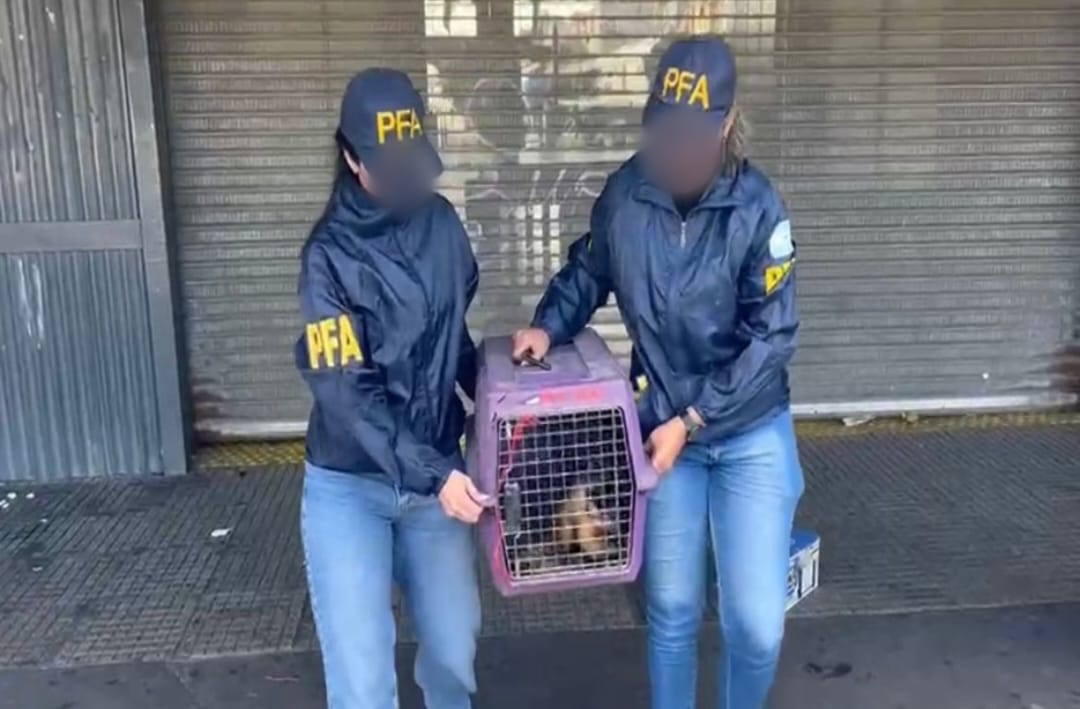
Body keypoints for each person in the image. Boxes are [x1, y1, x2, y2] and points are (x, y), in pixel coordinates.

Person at [513, 36, 804, 709]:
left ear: (726, 125)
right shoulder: (627, 195)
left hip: (747, 429)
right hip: (662, 430)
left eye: (691, 136)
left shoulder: (758, 209)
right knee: (671, 611)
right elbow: (591, 267)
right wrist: (548, 324)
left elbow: (773, 337)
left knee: (754, 625)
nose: (675, 149)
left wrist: (693, 419)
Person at [295, 67, 489, 709]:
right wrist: (435, 472)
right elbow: (347, 395)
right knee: (363, 684)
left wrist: (509, 391)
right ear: (352, 158)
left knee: (454, 656)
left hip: (436, 482)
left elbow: (452, 338)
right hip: (351, 485)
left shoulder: (443, 225)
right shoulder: (326, 258)